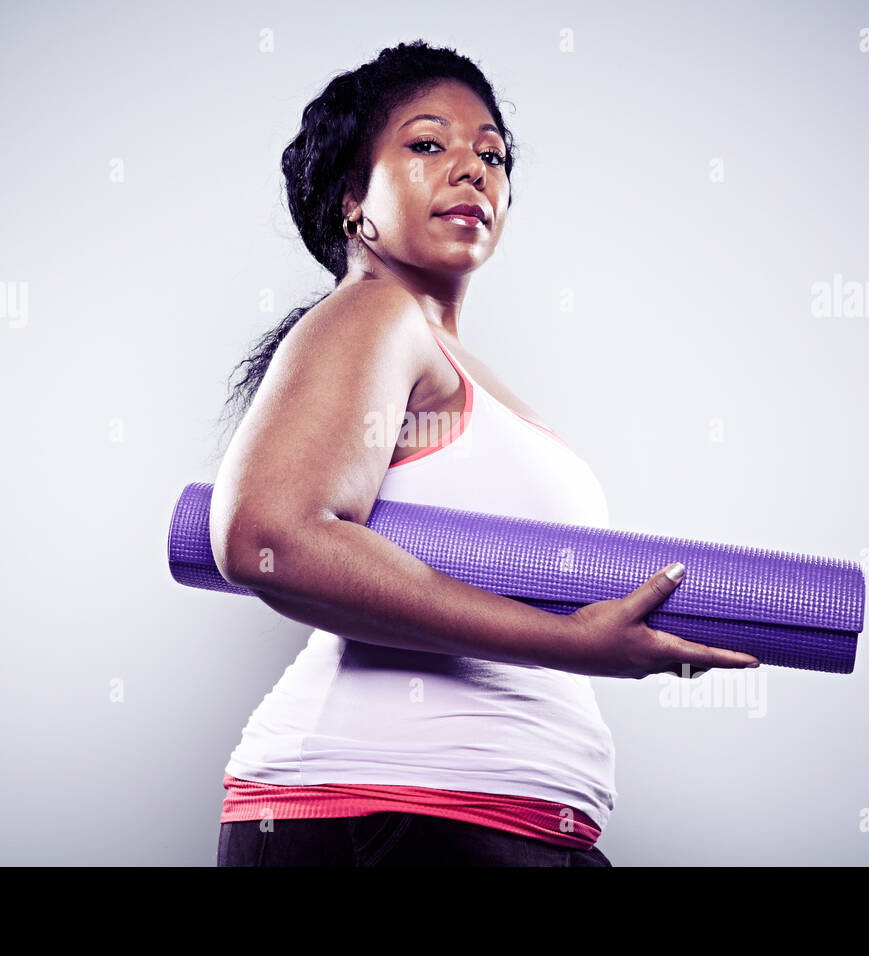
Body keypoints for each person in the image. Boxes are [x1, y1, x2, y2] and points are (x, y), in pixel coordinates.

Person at [207, 39, 759, 867]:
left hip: (514, 827)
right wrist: (573, 642)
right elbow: (267, 536)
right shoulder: (374, 315)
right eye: (427, 144)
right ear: (354, 199)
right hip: (387, 815)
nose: (473, 169)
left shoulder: (456, 366)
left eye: (492, 154)